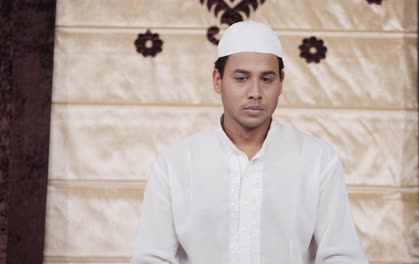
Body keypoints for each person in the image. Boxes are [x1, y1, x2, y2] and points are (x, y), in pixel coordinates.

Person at [131, 21, 368, 264]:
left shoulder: (317, 160)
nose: (255, 91)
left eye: (266, 79)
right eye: (241, 78)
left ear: (281, 83)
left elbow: (343, 256)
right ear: (217, 80)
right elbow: (151, 258)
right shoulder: (175, 164)